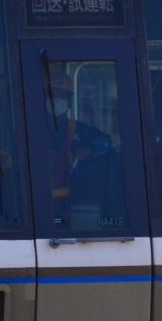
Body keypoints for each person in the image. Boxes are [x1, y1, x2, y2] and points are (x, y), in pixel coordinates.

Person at [44, 72, 113, 227]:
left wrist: (90, 148)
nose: (57, 100)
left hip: (71, 199)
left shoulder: (79, 129)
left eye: (63, 96)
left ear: (69, 101)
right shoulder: (32, 129)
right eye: (53, 95)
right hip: (38, 199)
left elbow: (110, 141)